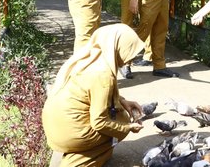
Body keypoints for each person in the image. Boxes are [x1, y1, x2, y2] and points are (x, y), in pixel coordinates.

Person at [42, 24, 145, 166]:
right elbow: (99, 122)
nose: (131, 61)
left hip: (55, 126)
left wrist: (123, 101)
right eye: (129, 51)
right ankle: (81, 159)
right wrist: (127, 127)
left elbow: (89, 93)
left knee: (118, 115)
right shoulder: (103, 75)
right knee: (122, 119)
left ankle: (87, 149)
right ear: (117, 48)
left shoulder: (90, 57)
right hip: (68, 134)